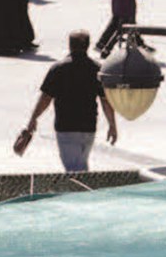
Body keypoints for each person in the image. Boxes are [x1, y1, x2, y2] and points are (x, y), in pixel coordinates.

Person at [18, 30, 118, 173]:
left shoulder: (58, 69)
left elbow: (46, 98)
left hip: (66, 126)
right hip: (89, 126)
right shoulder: (97, 69)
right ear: (88, 46)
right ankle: (84, 185)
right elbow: (105, 100)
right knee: (81, 165)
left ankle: (81, 187)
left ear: (70, 45)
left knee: (73, 169)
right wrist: (112, 125)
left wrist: (33, 119)